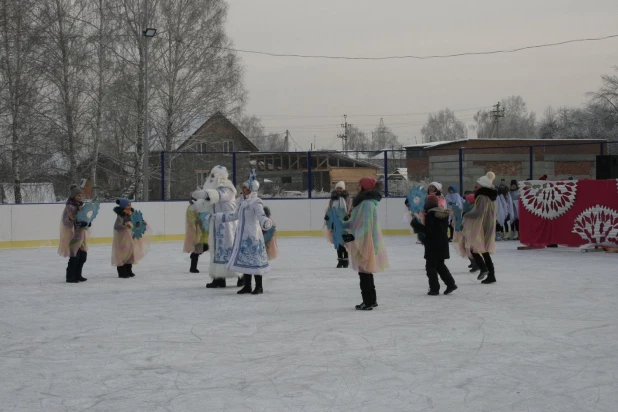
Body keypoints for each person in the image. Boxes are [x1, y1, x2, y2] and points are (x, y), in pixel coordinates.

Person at [341, 177, 389, 311]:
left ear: (364, 187)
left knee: (365, 273)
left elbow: (366, 226)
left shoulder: (367, 203)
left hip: (366, 242)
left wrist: (351, 236)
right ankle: (371, 300)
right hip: (362, 240)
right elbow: (354, 223)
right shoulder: (362, 203)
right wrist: (340, 224)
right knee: (365, 272)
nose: (357, 186)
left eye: (359, 184)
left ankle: (368, 301)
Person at [220, 179, 273, 295]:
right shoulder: (241, 202)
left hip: (253, 235)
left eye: (245, 188)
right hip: (242, 236)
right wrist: (219, 217)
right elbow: (234, 216)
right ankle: (247, 286)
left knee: (255, 260)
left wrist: (265, 221)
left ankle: (259, 286)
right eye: (243, 187)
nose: (243, 190)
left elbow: (261, 215)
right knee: (246, 261)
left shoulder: (256, 202)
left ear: (251, 189)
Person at [203, 165, 244, 288]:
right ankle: (219, 278)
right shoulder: (215, 189)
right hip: (216, 225)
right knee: (216, 251)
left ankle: (241, 276)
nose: (211, 178)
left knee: (230, 249)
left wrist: (205, 194)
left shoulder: (228, 189)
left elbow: (217, 196)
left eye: (214, 175)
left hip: (228, 226)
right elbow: (210, 202)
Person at [411, 195, 457, 295]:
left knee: (431, 267)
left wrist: (416, 225)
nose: (425, 203)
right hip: (442, 243)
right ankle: (450, 284)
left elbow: (429, 231)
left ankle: (434, 288)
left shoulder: (431, 214)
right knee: (440, 265)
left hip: (433, 244)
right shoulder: (443, 213)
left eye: (427, 201)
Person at [458, 172, 498, 284]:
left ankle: (484, 269)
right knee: (484, 251)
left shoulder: (481, 197)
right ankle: (491, 275)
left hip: (480, 226)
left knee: (473, 248)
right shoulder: (492, 197)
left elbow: (478, 213)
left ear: (483, 185)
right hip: (489, 225)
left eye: (478, 184)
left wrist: (465, 214)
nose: (477, 185)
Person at [111, 199, 151, 278]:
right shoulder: (121, 215)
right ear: (123, 206)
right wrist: (125, 225)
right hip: (123, 238)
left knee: (130, 253)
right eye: (127, 205)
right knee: (123, 253)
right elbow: (116, 226)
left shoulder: (132, 214)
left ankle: (129, 269)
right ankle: (122, 271)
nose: (129, 206)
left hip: (131, 237)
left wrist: (142, 223)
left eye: (130, 205)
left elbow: (136, 222)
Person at [58, 184, 89, 283]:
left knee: (83, 256)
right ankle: (70, 276)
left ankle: (78, 274)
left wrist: (87, 222)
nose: (81, 197)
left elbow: (84, 217)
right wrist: (77, 222)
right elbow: (66, 221)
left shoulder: (81, 206)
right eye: (78, 195)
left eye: (81, 195)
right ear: (73, 196)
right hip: (73, 235)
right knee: (75, 256)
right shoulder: (69, 207)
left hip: (82, 234)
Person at [324, 181, 352, 268]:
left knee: (345, 242)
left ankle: (346, 260)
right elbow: (329, 209)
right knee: (338, 243)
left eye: (341, 188)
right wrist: (327, 216)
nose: (339, 189)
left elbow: (351, 209)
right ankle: (340, 260)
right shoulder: (332, 200)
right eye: (338, 188)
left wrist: (349, 216)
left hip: (345, 223)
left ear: (343, 189)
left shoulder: (348, 199)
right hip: (336, 224)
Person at [183, 189, 209, 273]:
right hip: (197, 231)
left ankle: (194, 256)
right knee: (199, 248)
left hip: (204, 230)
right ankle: (193, 267)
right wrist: (197, 221)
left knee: (206, 246)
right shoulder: (191, 207)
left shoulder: (202, 205)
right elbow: (191, 219)